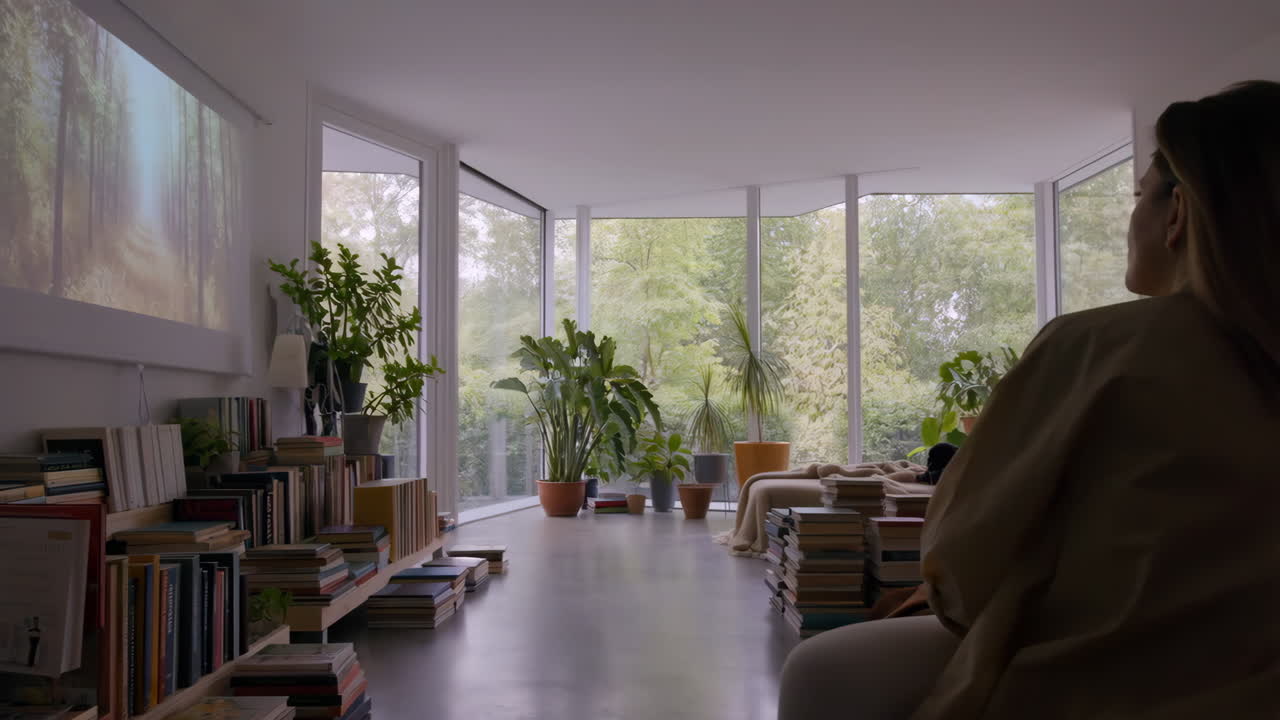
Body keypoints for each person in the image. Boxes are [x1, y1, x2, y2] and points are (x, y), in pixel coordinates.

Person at [777, 79, 1280, 720]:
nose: (1130, 221)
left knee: (823, 671)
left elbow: (963, 564)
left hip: (1096, 684)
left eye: (1137, 197)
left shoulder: (1101, 348)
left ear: (1178, 212)